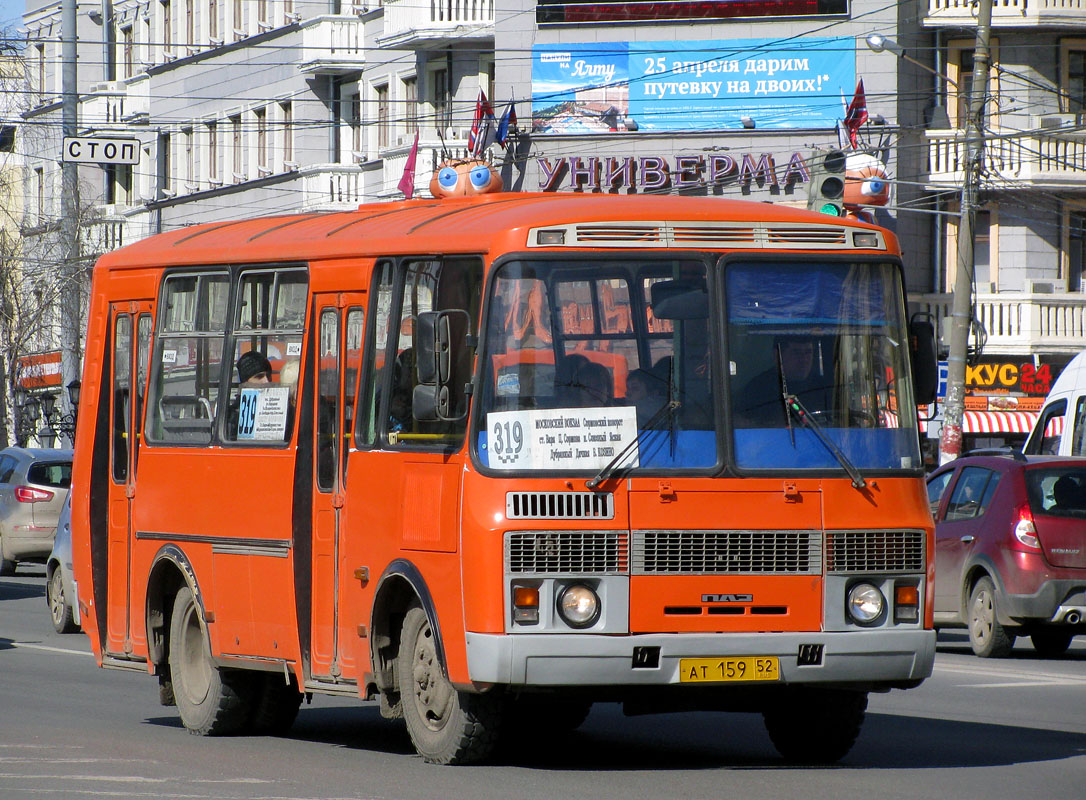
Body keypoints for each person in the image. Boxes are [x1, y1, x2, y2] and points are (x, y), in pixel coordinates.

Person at [736, 336, 833, 427]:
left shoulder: (823, 387)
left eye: (808, 352)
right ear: (777, 355)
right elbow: (743, 424)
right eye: (796, 352)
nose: (804, 359)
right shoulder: (757, 389)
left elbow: (840, 421)